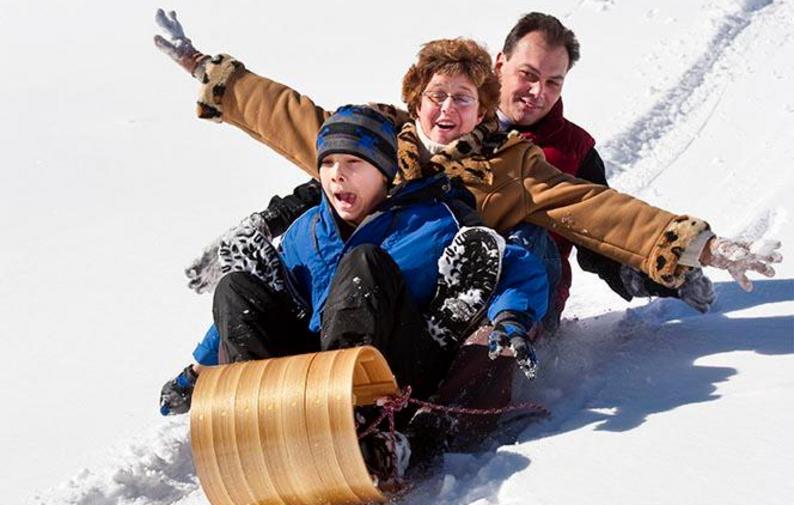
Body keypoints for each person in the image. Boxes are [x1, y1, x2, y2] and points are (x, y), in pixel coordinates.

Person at [154, 10, 781, 456]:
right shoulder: (378, 142)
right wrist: (208, 70)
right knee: (266, 280)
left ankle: (403, 422)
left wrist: (693, 246)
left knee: (478, 254)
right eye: (436, 97)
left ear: (482, 105)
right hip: (351, 303)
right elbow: (293, 119)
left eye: (463, 99)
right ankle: (256, 413)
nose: (447, 110)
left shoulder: (514, 167)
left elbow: (598, 211)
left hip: (454, 307)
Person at [160, 103, 550, 478]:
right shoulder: (306, 230)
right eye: (328, 163)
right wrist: (197, 371)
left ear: (384, 172)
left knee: (365, 263)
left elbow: (511, 263)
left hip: (398, 370)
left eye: (353, 163)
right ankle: (258, 418)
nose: (337, 175)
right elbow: (261, 305)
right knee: (236, 287)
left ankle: (357, 420)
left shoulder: (434, 219)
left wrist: (511, 317)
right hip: (313, 375)